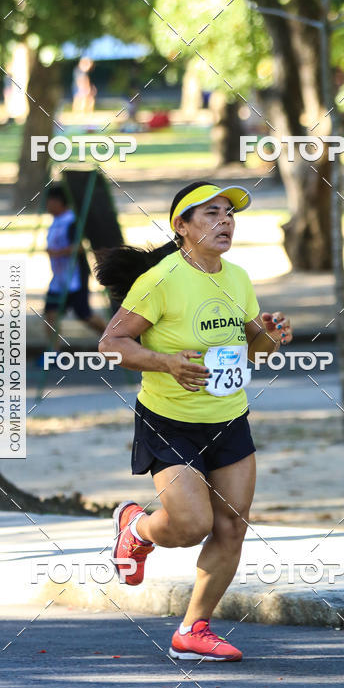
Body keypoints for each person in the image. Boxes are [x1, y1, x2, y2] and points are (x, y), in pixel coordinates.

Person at [96, 182, 292, 662]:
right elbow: (111, 344)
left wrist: (271, 335)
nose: (225, 222)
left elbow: (254, 351)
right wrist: (166, 363)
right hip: (170, 421)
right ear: (181, 227)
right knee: (190, 525)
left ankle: (193, 629)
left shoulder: (237, 278)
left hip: (229, 418)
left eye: (229, 214)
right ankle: (137, 529)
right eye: (210, 214)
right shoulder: (161, 280)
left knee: (232, 526)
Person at [43, 185, 107, 344]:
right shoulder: (56, 221)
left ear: (58, 202)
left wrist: (57, 252)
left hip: (75, 277)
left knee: (85, 315)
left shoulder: (71, 221)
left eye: (49, 201)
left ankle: (114, 339)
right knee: (50, 314)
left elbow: (79, 247)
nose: (46, 205)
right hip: (58, 279)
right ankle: (54, 352)